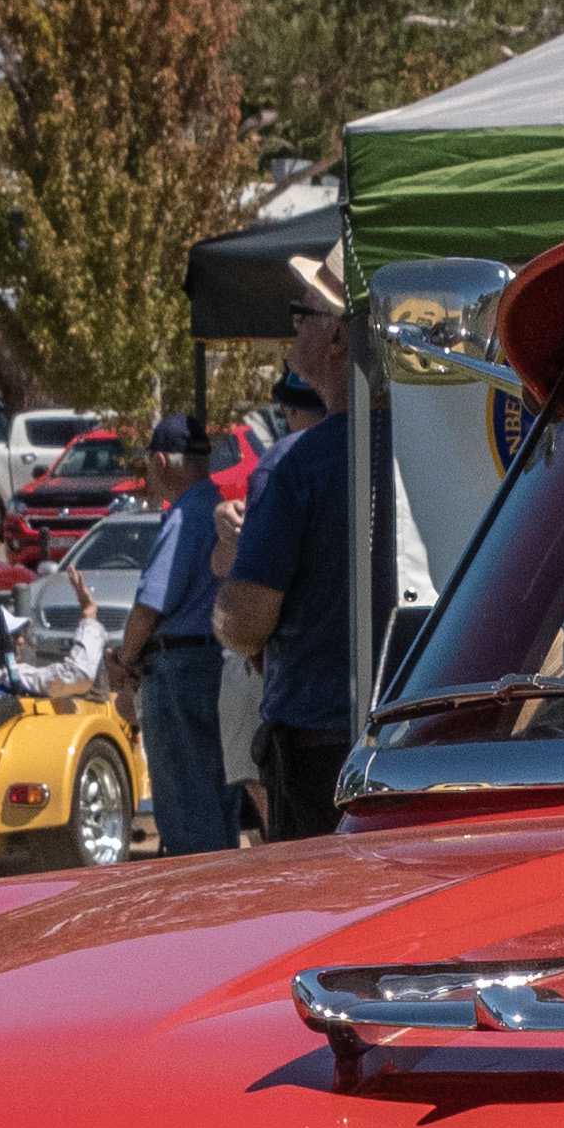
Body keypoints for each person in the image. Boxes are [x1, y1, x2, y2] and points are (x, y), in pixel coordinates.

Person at [215, 264, 358, 838]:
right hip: (424, 744)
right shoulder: (425, 456)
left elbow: (247, 619)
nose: (290, 332)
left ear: (338, 334)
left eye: (302, 315)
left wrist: (228, 598)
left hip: (319, 749)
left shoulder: (297, 463)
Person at [105, 415, 237, 855]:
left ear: (160, 461)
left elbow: (149, 608)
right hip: (215, 662)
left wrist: (124, 661)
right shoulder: (216, 508)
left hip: (179, 672)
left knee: (185, 806)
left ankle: (198, 905)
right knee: (217, 796)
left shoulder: (182, 517)